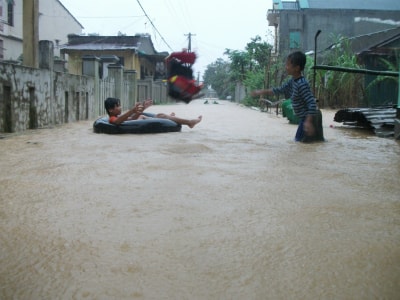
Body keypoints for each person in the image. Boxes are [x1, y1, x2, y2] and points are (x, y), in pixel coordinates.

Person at [251, 51, 324, 143]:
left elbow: (312, 103)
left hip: (310, 118)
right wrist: (261, 92)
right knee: (308, 145)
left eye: (288, 65)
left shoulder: (302, 84)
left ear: (297, 68)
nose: (286, 67)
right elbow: (279, 90)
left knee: (301, 144)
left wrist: (308, 122)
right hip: (306, 118)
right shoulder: (293, 81)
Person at [104, 97, 202, 128]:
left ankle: (171, 117)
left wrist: (142, 109)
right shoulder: (112, 119)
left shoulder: (118, 116)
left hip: (144, 119)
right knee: (161, 116)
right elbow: (117, 122)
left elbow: (132, 119)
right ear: (110, 110)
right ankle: (189, 122)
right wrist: (132, 111)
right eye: (118, 106)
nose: (120, 107)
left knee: (161, 115)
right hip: (145, 122)